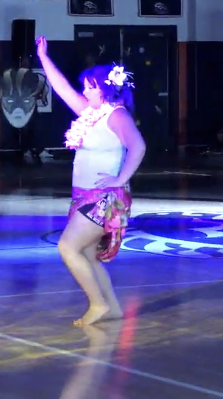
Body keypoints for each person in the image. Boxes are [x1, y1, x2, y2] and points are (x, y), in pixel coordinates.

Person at [36, 36, 145, 326]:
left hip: (103, 198)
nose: (84, 90)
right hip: (86, 195)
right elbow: (62, 89)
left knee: (67, 248)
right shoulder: (92, 114)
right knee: (86, 253)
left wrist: (120, 178)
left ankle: (98, 304)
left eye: (89, 87)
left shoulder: (117, 115)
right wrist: (44, 58)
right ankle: (112, 307)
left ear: (104, 89)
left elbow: (139, 146)